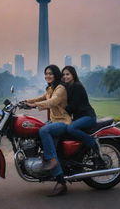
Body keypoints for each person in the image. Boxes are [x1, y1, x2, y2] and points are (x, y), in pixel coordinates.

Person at [25, 65, 71, 196]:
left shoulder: (60, 88)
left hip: (63, 122)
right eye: (46, 74)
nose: (48, 76)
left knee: (44, 131)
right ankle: (47, 159)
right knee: (37, 130)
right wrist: (25, 101)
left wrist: (34, 106)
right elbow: (41, 98)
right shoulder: (51, 88)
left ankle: (52, 160)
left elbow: (52, 102)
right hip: (54, 122)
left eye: (50, 73)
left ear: (56, 75)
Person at [62, 66, 104, 164]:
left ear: (73, 75)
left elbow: (73, 105)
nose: (65, 76)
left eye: (67, 74)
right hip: (79, 118)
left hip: (88, 117)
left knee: (71, 129)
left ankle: (92, 143)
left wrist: (60, 112)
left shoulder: (77, 86)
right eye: (63, 75)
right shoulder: (68, 87)